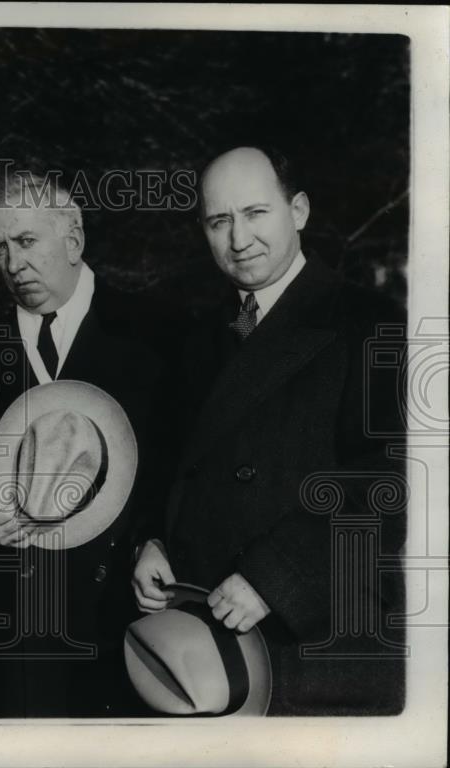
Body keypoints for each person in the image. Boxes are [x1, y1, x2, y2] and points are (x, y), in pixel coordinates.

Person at [131, 146, 406, 715]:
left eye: (256, 213)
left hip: (317, 640)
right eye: (219, 220)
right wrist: (153, 540)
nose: (239, 239)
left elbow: (387, 484)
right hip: (211, 652)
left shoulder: (371, 322)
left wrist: (274, 579)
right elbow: (172, 466)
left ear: (298, 211)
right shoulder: (195, 338)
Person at [0, 171, 171, 717]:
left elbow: (183, 470)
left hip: (124, 629)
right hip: (18, 634)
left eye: (27, 242)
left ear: (74, 240)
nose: (14, 265)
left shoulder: (158, 332)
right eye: (0, 248)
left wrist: (155, 540)